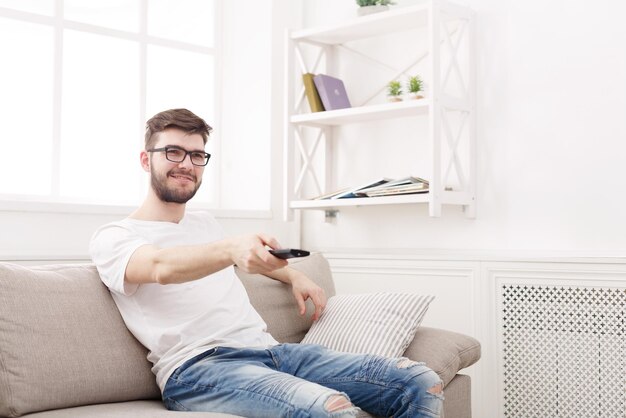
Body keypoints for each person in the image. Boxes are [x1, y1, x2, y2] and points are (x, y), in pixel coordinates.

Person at [90, 108, 444, 417]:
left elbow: (244, 262)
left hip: (270, 352)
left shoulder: (204, 224)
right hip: (199, 369)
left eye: (197, 155)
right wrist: (230, 249)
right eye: (173, 152)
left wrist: (293, 276)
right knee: (328, 408)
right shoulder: (115, 236)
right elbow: (159, 267)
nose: (186, 164)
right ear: (144, 159)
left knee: (418, 382)